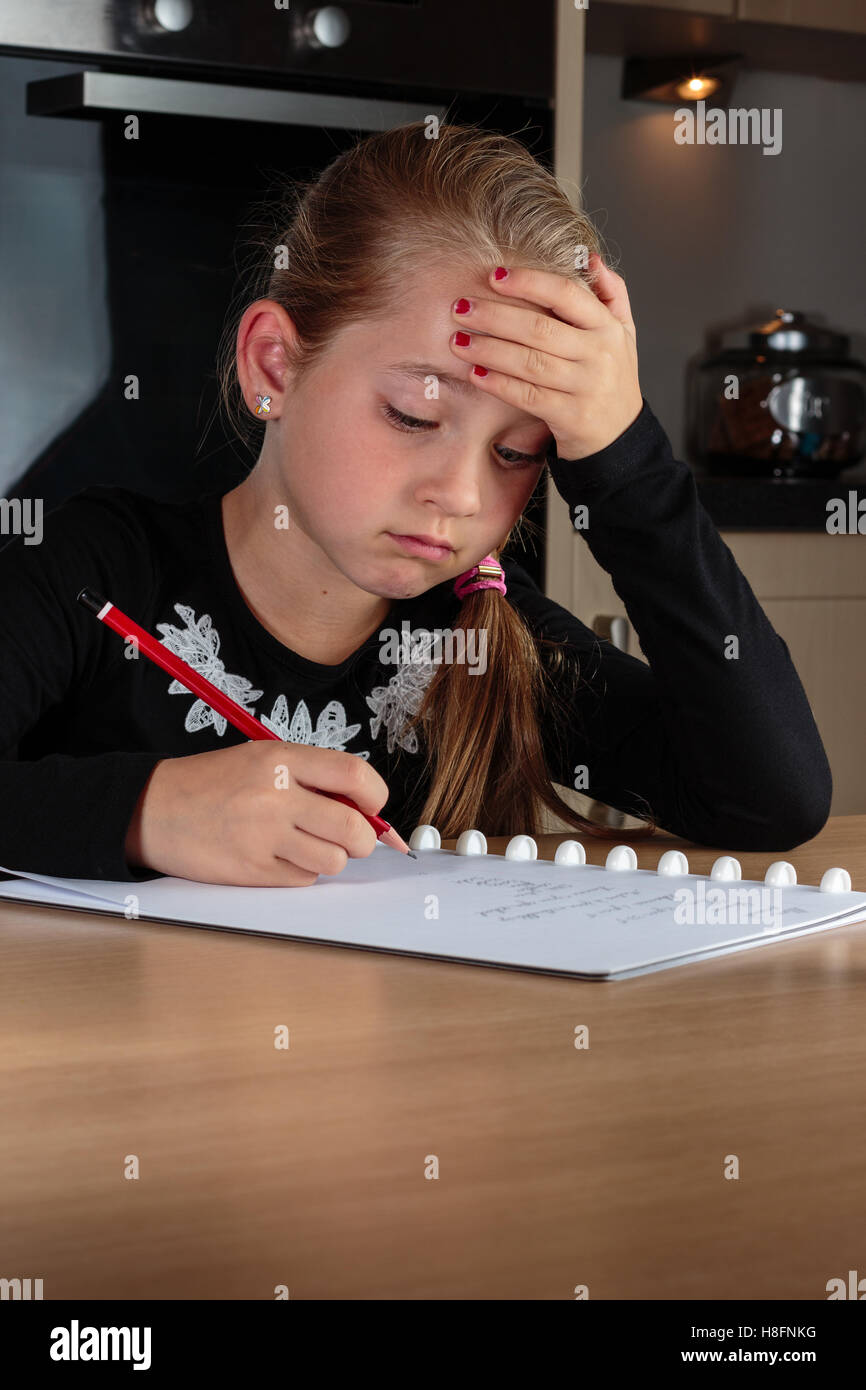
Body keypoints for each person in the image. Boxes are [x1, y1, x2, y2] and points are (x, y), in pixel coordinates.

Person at [0, 122, 831, 886]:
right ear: (274, 367)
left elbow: (769, 798)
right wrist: (144, 811)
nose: (462, 495)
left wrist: (625, 456)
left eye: (518, 453)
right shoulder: (92, 575)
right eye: (414, 416)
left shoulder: (489, 638)